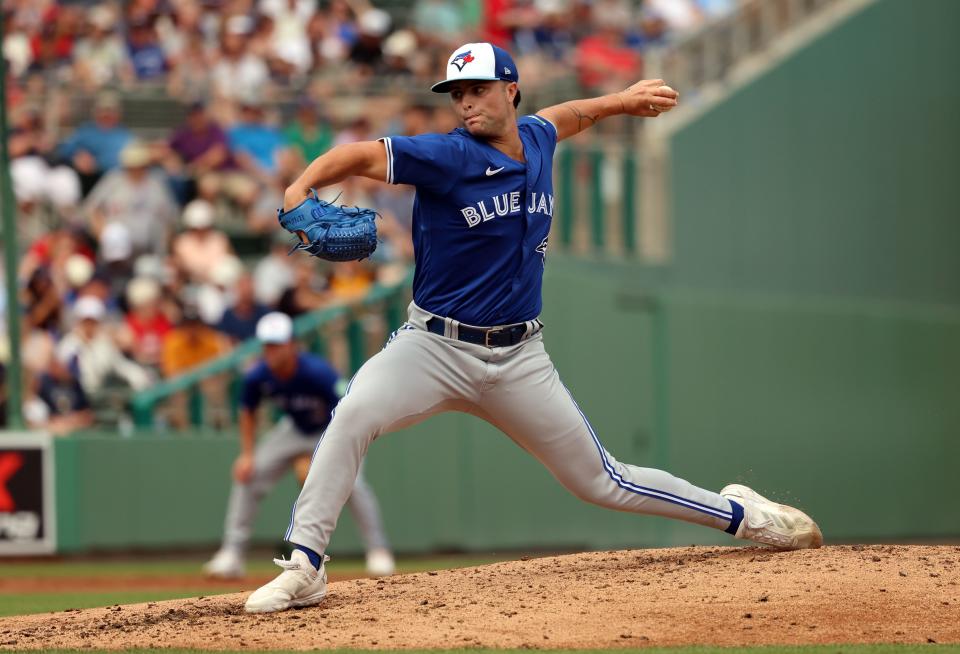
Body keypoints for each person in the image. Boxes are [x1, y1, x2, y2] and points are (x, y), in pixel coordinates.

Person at [244, 42, 821, 614]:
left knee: (602, 481)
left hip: (519, 357)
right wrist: (300, 189)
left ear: (510, 89)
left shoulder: (538, 140)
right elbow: (360, 154)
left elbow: (567, 116)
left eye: (479, 90)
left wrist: (622, 100)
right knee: (352, 415)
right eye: (458, 94)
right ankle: (305, 567)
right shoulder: (447, 155)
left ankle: (743, 516)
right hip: (433, 346)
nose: (467, 104)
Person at [204, 312, 395, 580]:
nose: (271, 351)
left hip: (333, 429)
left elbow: (347, 410)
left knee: (354, 485)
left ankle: (378, 551)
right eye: (267, 345)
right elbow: (247, 411)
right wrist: (247, 454)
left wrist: (313, 457)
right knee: (249, 473)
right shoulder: (258, 375)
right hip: (294, 430)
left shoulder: (317, 372)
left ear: (292, 344)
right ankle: (232, 554)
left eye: (277, 344)